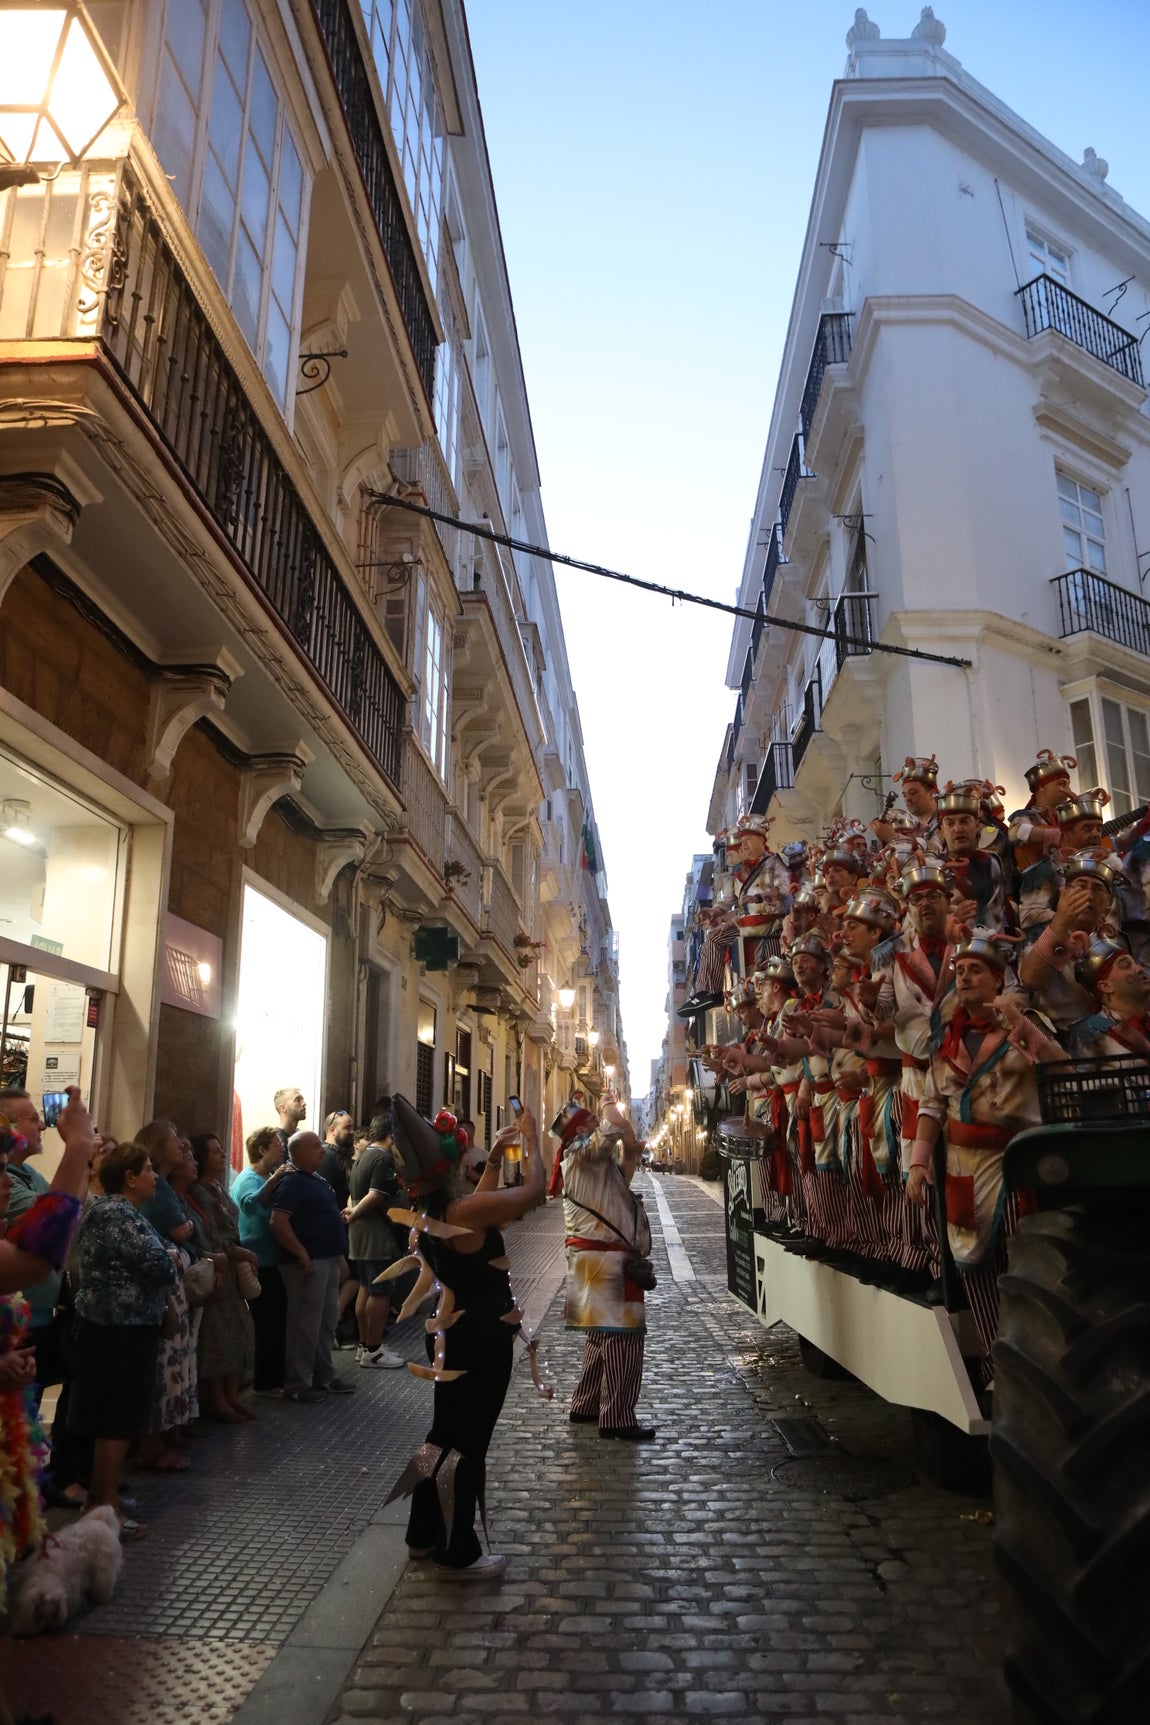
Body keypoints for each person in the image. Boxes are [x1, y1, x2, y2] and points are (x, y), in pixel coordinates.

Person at [385, 1094, 545, 1579]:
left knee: (441, 1435)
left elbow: (481, 1207)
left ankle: (420, 1534)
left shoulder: (436, 1211)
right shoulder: (461, 1210)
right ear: (451, 1165)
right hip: (482, 1335)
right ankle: (459, 1551)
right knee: (470, 1443)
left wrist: (494, 1159)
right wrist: (534, 1142)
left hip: (450, 1335)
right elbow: (533, 1192)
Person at [69, 1140, 180, 1538]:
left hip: (119, 1328)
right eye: (149, 1169)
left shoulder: (119, 1211)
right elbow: (158, 1264)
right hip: (120, 1330)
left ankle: (102, 1497)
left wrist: (168, 1257)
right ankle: (104, 1506)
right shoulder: (116, 1213)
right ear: (130, 1178)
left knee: (113, 1417)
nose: (155, 1176)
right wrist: (172, 1258)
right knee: (115, 1419)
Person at [560, 1095, 655, 1441]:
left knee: (600, 1335)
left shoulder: (594, 1164)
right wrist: (607, 1103)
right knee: (623, 1339)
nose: (593, 1125)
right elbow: (613, 1126)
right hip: (605, 1259)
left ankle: (585, 1404)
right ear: (577, 1132)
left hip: (595, 1259)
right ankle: (616, 1417)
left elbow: (626, 1164)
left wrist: (630, 1147)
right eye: (587, 1122)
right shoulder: (582, 1153)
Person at [270, 1130, 356, 1402]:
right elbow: (278, 1221)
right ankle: (297, 1383)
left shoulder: (315, 1179)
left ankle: (324, 1375)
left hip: (327, 1259)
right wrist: (302, 1254)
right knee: (305, 1325)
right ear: (299, 1152)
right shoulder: (291, 1181)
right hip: (308, 1262)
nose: (322, 1150)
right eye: (316, 1146)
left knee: (325, 1322)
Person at [189, 1133, 258, 1421]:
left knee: (237, 1331)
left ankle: (232, 1394)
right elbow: (214, 1236)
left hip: (229, 1270)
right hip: (217, 1267)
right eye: (215, 1152)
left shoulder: (217, 1186)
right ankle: (218, 1398)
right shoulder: (199, 1192)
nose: (221, 1155)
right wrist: (241, 1254)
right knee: (217, 1336)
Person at [0, 1091, 60, 1411]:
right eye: (34, 1119)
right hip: (15, 1321)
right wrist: (79, 1151)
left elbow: (65, 1213)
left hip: (34, 1316)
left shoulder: (31, 1176)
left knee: (26, 1411)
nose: (42, 1127)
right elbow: (54, 1220)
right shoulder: (13, 1177)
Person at [345, 1111, 407, 1369]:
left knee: (366, 1288)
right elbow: (375, 1195)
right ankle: (374, 1349)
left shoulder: (362, 1157)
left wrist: (352, 1213)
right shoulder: (383, 1159)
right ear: (391, 1135)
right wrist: (355, 1214)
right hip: (376, 1234)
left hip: (362, 1235)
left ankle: (364, 1344)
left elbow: (354, 1195)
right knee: (380, 1291)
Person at [232, 1126, 290, 1392]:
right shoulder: (248, 1179)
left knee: (275, 1318)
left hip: (269, 1260)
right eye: (277, 1144)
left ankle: (274, 1376)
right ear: (262, 1149)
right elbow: (250, 1205)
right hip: (258, 1264)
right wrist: (276, 1179)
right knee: (266, 1322)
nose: (282, 1148)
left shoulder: (264, 1176)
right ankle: (266, 1380)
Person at [274, 1087, 307, 1153]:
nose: (304, 1103)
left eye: (302, 1099)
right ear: (283, 1108)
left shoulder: (301, 1139)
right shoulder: (276, 1142)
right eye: (297, 1100)